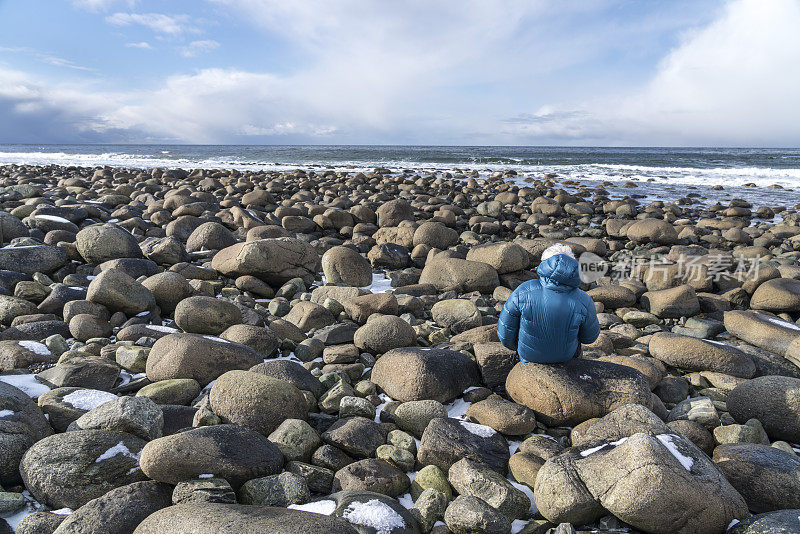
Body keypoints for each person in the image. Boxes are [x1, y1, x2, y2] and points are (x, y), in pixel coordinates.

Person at [498, 243, 600, 363]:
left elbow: (505, 334)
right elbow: (589, 338)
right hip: (566, 358)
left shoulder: (524, 290)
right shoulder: (584, 299)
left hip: (528, 358)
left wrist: (517, 347)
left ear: (545, 264)